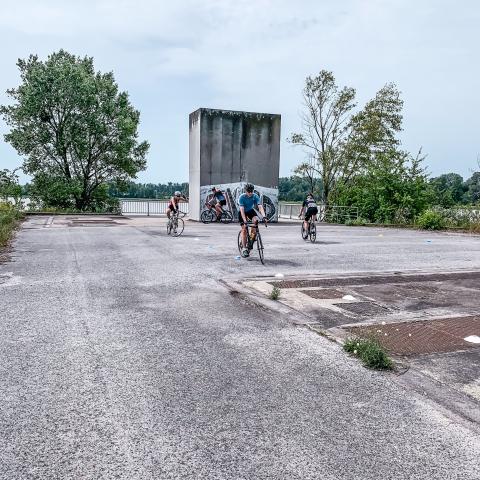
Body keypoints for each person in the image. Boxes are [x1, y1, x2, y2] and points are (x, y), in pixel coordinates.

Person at [238, 183, 267, 257]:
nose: (250, 193)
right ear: (245, 191)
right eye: (248, 191)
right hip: (242, 212)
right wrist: (245, 220)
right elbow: (242, 209)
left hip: (250, 211)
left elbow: (260, 207)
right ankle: (244, 248)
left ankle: (251, 239)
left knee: (256, 221)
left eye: (251, 191)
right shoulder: (242, 197)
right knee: (244, 228)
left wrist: (264, 216)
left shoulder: (255, 196)